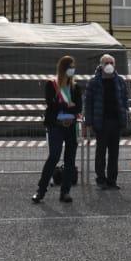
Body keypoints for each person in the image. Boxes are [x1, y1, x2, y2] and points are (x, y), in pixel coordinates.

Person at [33, 55, 82, 203]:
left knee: (70, 159)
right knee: (54, 156)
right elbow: (51, 104)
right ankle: (41, 190)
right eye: (70, 67)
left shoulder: (76, 87)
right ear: (63, 68)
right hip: (56, 126)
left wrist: (65, 108)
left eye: (73, 67)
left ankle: (65, 191)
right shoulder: (51, 84)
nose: (72, 70)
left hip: (71, 126)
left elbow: (79, 107)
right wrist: (68, 106)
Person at [83, 52, 130, 190]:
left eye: (111, 63)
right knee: (101, 153)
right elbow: (88, 103)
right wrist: (89, 122)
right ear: (101, 65)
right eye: (106, 63)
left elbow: (125, 99)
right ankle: (100, 179)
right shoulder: (94, 82)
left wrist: (125, 112)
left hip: (116, 121)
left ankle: (112, 180)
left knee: (114, 153)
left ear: (115, 65)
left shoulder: (120, 80)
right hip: (101, 122)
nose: (109, 65)